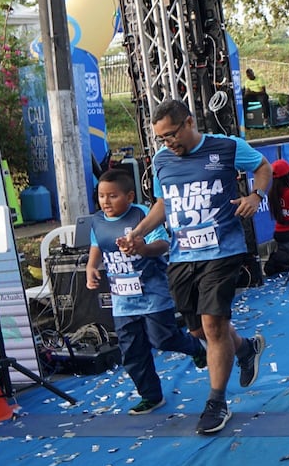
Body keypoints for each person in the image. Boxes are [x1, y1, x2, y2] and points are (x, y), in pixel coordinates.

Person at [124, 99, 271, 434]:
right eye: (161, 138)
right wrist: (138, 233)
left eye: (171, 134)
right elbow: (164, 203)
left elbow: (263, 167)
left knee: (214, 325)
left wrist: (255, 196)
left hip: (223, 250)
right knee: (197, 331)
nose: (168, 143)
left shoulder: (227, 147)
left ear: (189, 123)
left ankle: (217, 402)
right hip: (181, 256)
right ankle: (246, 349)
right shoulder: (162, 161)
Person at [85, 169, 207, 415]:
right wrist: (91, 267)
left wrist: (143, 248)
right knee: (132, 352)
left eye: (113, 196)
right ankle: (151, 396)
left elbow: (163, 245)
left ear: (129, 196)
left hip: (152, 295)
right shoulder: (97, 221)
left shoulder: (142, 215)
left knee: (163, 339)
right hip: (122, 301)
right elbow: (96, 245)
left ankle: (196, 347)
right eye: (101, 196)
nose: (106, 202)